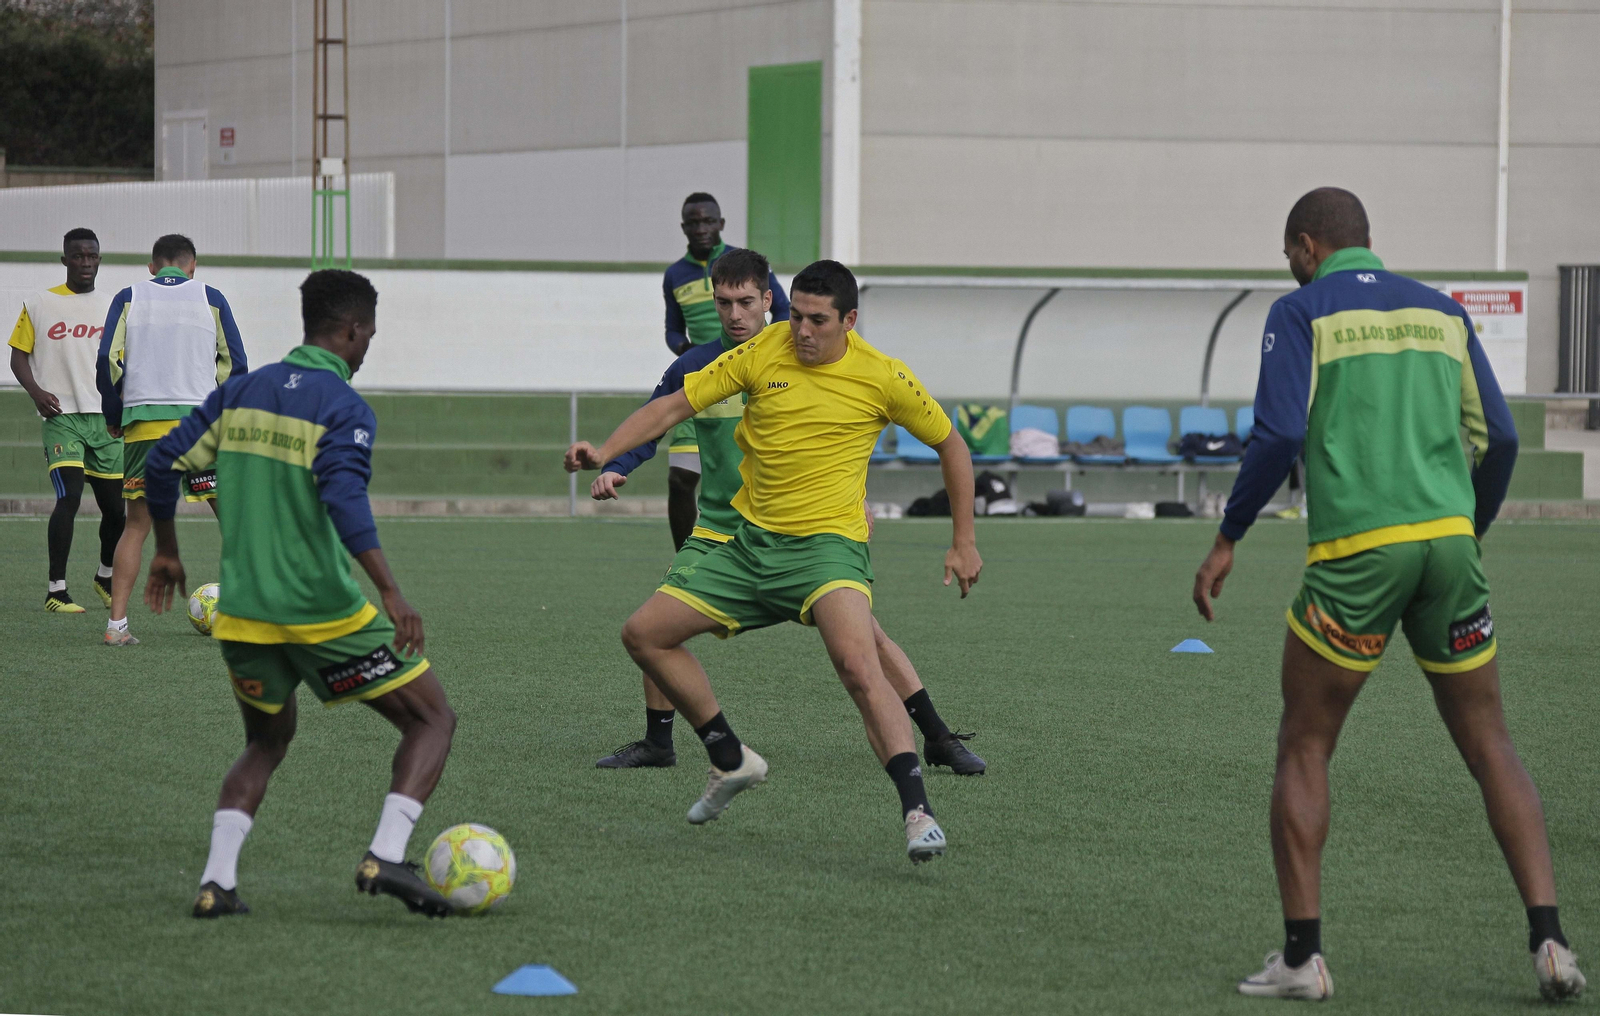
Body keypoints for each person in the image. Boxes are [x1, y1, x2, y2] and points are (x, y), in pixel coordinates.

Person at [1192, 187, 1584, 1001]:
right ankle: (1551, 942)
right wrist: (1466, 530)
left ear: (1307, 246)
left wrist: (1229, 535)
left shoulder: (1301, 311)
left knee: (1305, 743)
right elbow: (1501, 436)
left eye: (1289, 255)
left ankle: (1304, 960)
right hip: (1448, 548)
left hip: (1359, 553)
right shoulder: (1442, 312)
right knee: (1492, 744)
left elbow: (1279, 434)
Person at [570, 260, 981, 863]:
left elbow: (951, 444)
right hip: (749, 545)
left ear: (850, 321)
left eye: (818, 321)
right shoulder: (764, 350)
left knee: (859, 667)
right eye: (798, 318)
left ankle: (918, 813)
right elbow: (672, 408)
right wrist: (604, 450)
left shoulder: (884, 376)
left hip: (827, 552)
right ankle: (729, 758)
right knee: (644, 635)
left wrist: (964, 539)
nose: (803, 331)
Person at [141, 269, 457, 919]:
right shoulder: (342, 406)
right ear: (351, 330)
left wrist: (167, 550)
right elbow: (343, 495)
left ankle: (216, 883)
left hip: (244, 614)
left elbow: (161, 460)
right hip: (321, 612)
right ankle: (386, 855)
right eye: (368, 334)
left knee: (266, 741)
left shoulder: (239, 393)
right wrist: (391, 592)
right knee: (432, 719)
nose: (367, 346)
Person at [96, 233, 247, 646]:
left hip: (145, 426)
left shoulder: (129, 296)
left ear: (152, 267)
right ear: (192, 266)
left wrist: (114, 414)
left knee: (137, 526)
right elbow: (236, 362)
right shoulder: (210, 297)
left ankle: (116, 627)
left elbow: (107, 358)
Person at [660, 192, 791, 550]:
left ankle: (751, 550)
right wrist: (688, 354)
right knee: (680, 478)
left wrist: (765, 351)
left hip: (748, 377)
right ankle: (685, 557)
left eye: (708, 221)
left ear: (721, 224)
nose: (701, 228)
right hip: (700, 379)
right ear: (684, 227)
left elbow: (784, 311)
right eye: (693, 222)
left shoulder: (743, 267)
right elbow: (673, 329)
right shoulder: (675, 275)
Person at [8, 227, 124, 612]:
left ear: (99, 260)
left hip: (105, 420)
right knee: (69, 498)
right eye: (77, 256)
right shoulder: (38, 303)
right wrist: (37, 393)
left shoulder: (115, 306)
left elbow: (125, 360)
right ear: (64, 260)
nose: (85, 263)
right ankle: (56, 591)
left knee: (117, 511)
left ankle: (104, 576)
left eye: (92, 256)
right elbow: (18, 356)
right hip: (62, 418)